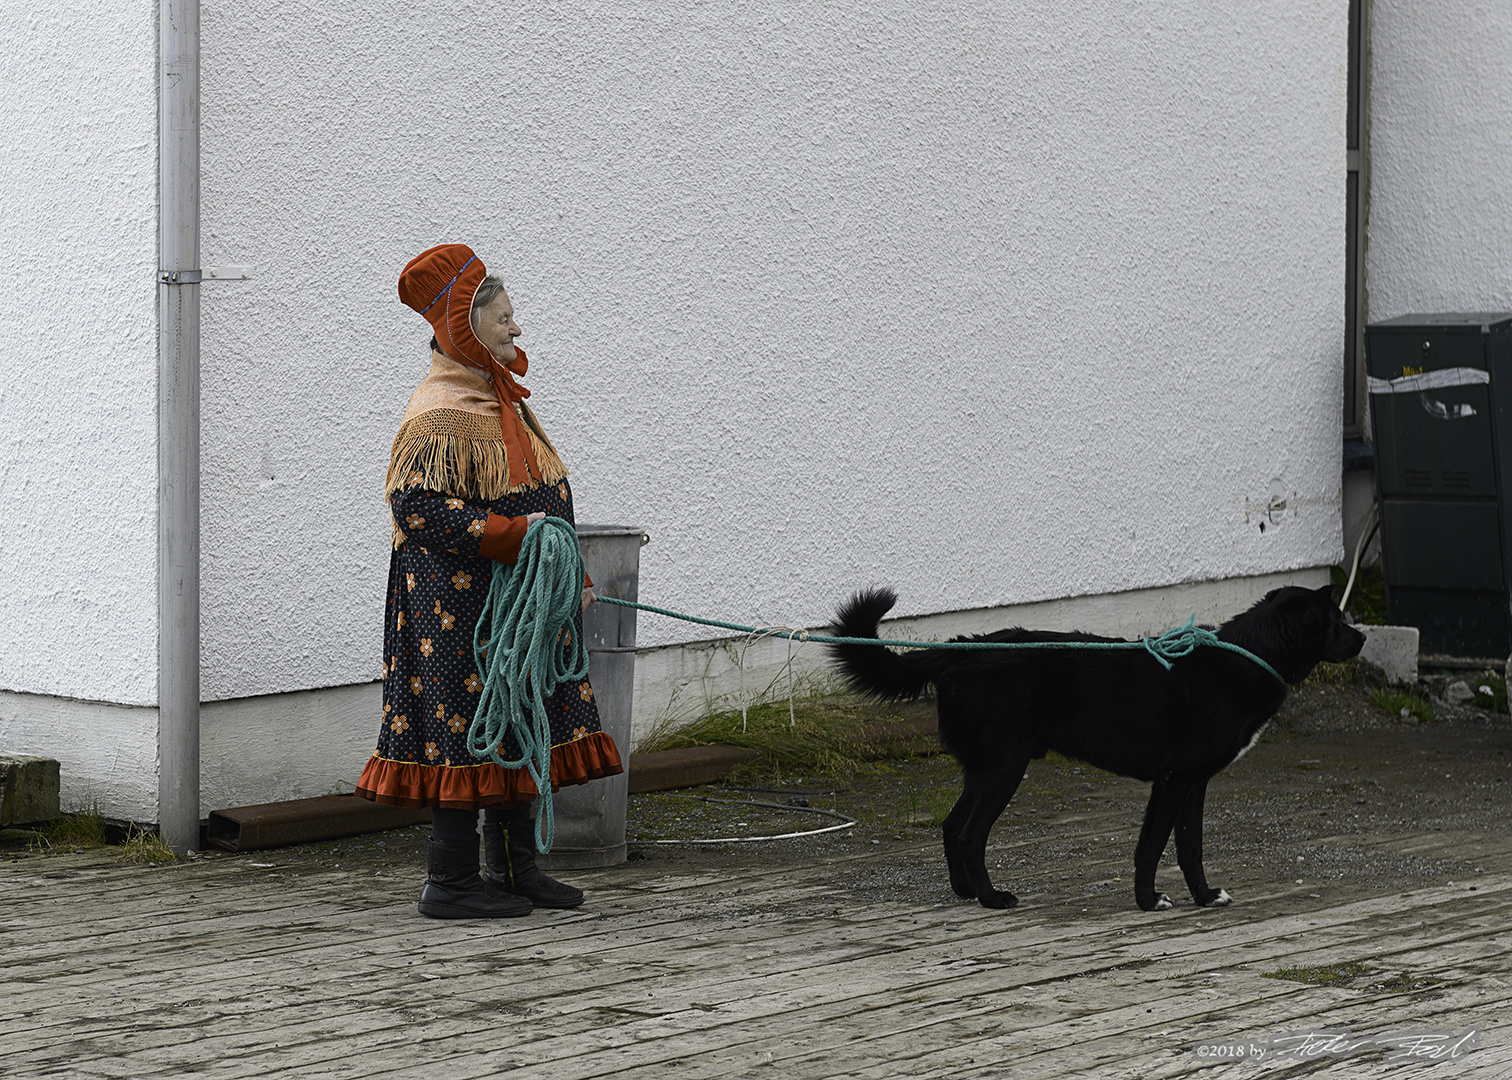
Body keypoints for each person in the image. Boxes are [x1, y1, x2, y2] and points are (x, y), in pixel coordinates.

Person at [356, 243, 623, 919]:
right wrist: (512, 538)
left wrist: (570, 572)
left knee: (520, 715)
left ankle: (512, 870)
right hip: (455, 606)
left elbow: (541, 494)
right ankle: (449, 884)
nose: (517, 328)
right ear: (465, 326)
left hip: (514, 604)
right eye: (504, 317)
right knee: (465, 724)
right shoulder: (438, 410)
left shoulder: (500, 398)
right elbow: (415, 509)